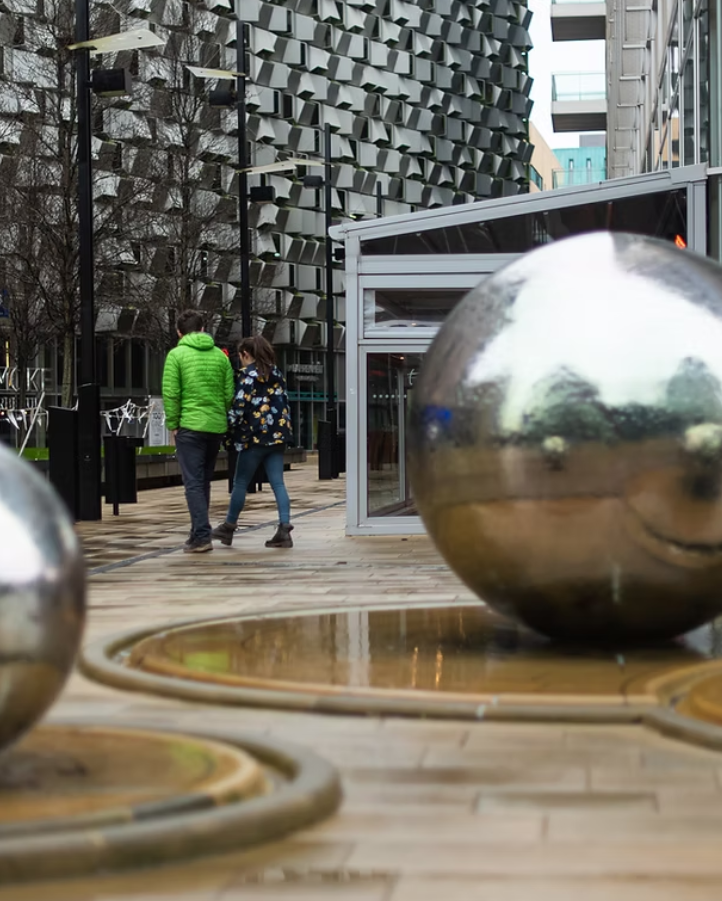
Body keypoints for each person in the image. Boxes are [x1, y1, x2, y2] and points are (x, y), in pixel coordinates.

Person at [162, 309, 234, 553]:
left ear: (179, 332)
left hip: (190, 426)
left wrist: (173, 424)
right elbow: (228, 394)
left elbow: (171, 393)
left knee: (192, 482)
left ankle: (202, 535)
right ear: (203, 329)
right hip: (215, 427)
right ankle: (196, 533)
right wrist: (218, 414)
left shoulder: (176, 355)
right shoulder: (220, 357)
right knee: (203, 481)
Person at [212, 335, 294, 548]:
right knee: (278, 483)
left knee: (240, 482)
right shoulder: (277, 374)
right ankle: (284, 527)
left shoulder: (247, 377)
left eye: (240, 356)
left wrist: (224, 427)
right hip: (277, 437)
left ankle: (229, 526)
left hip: (254, 438)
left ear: (246, 354)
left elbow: (239, 408)